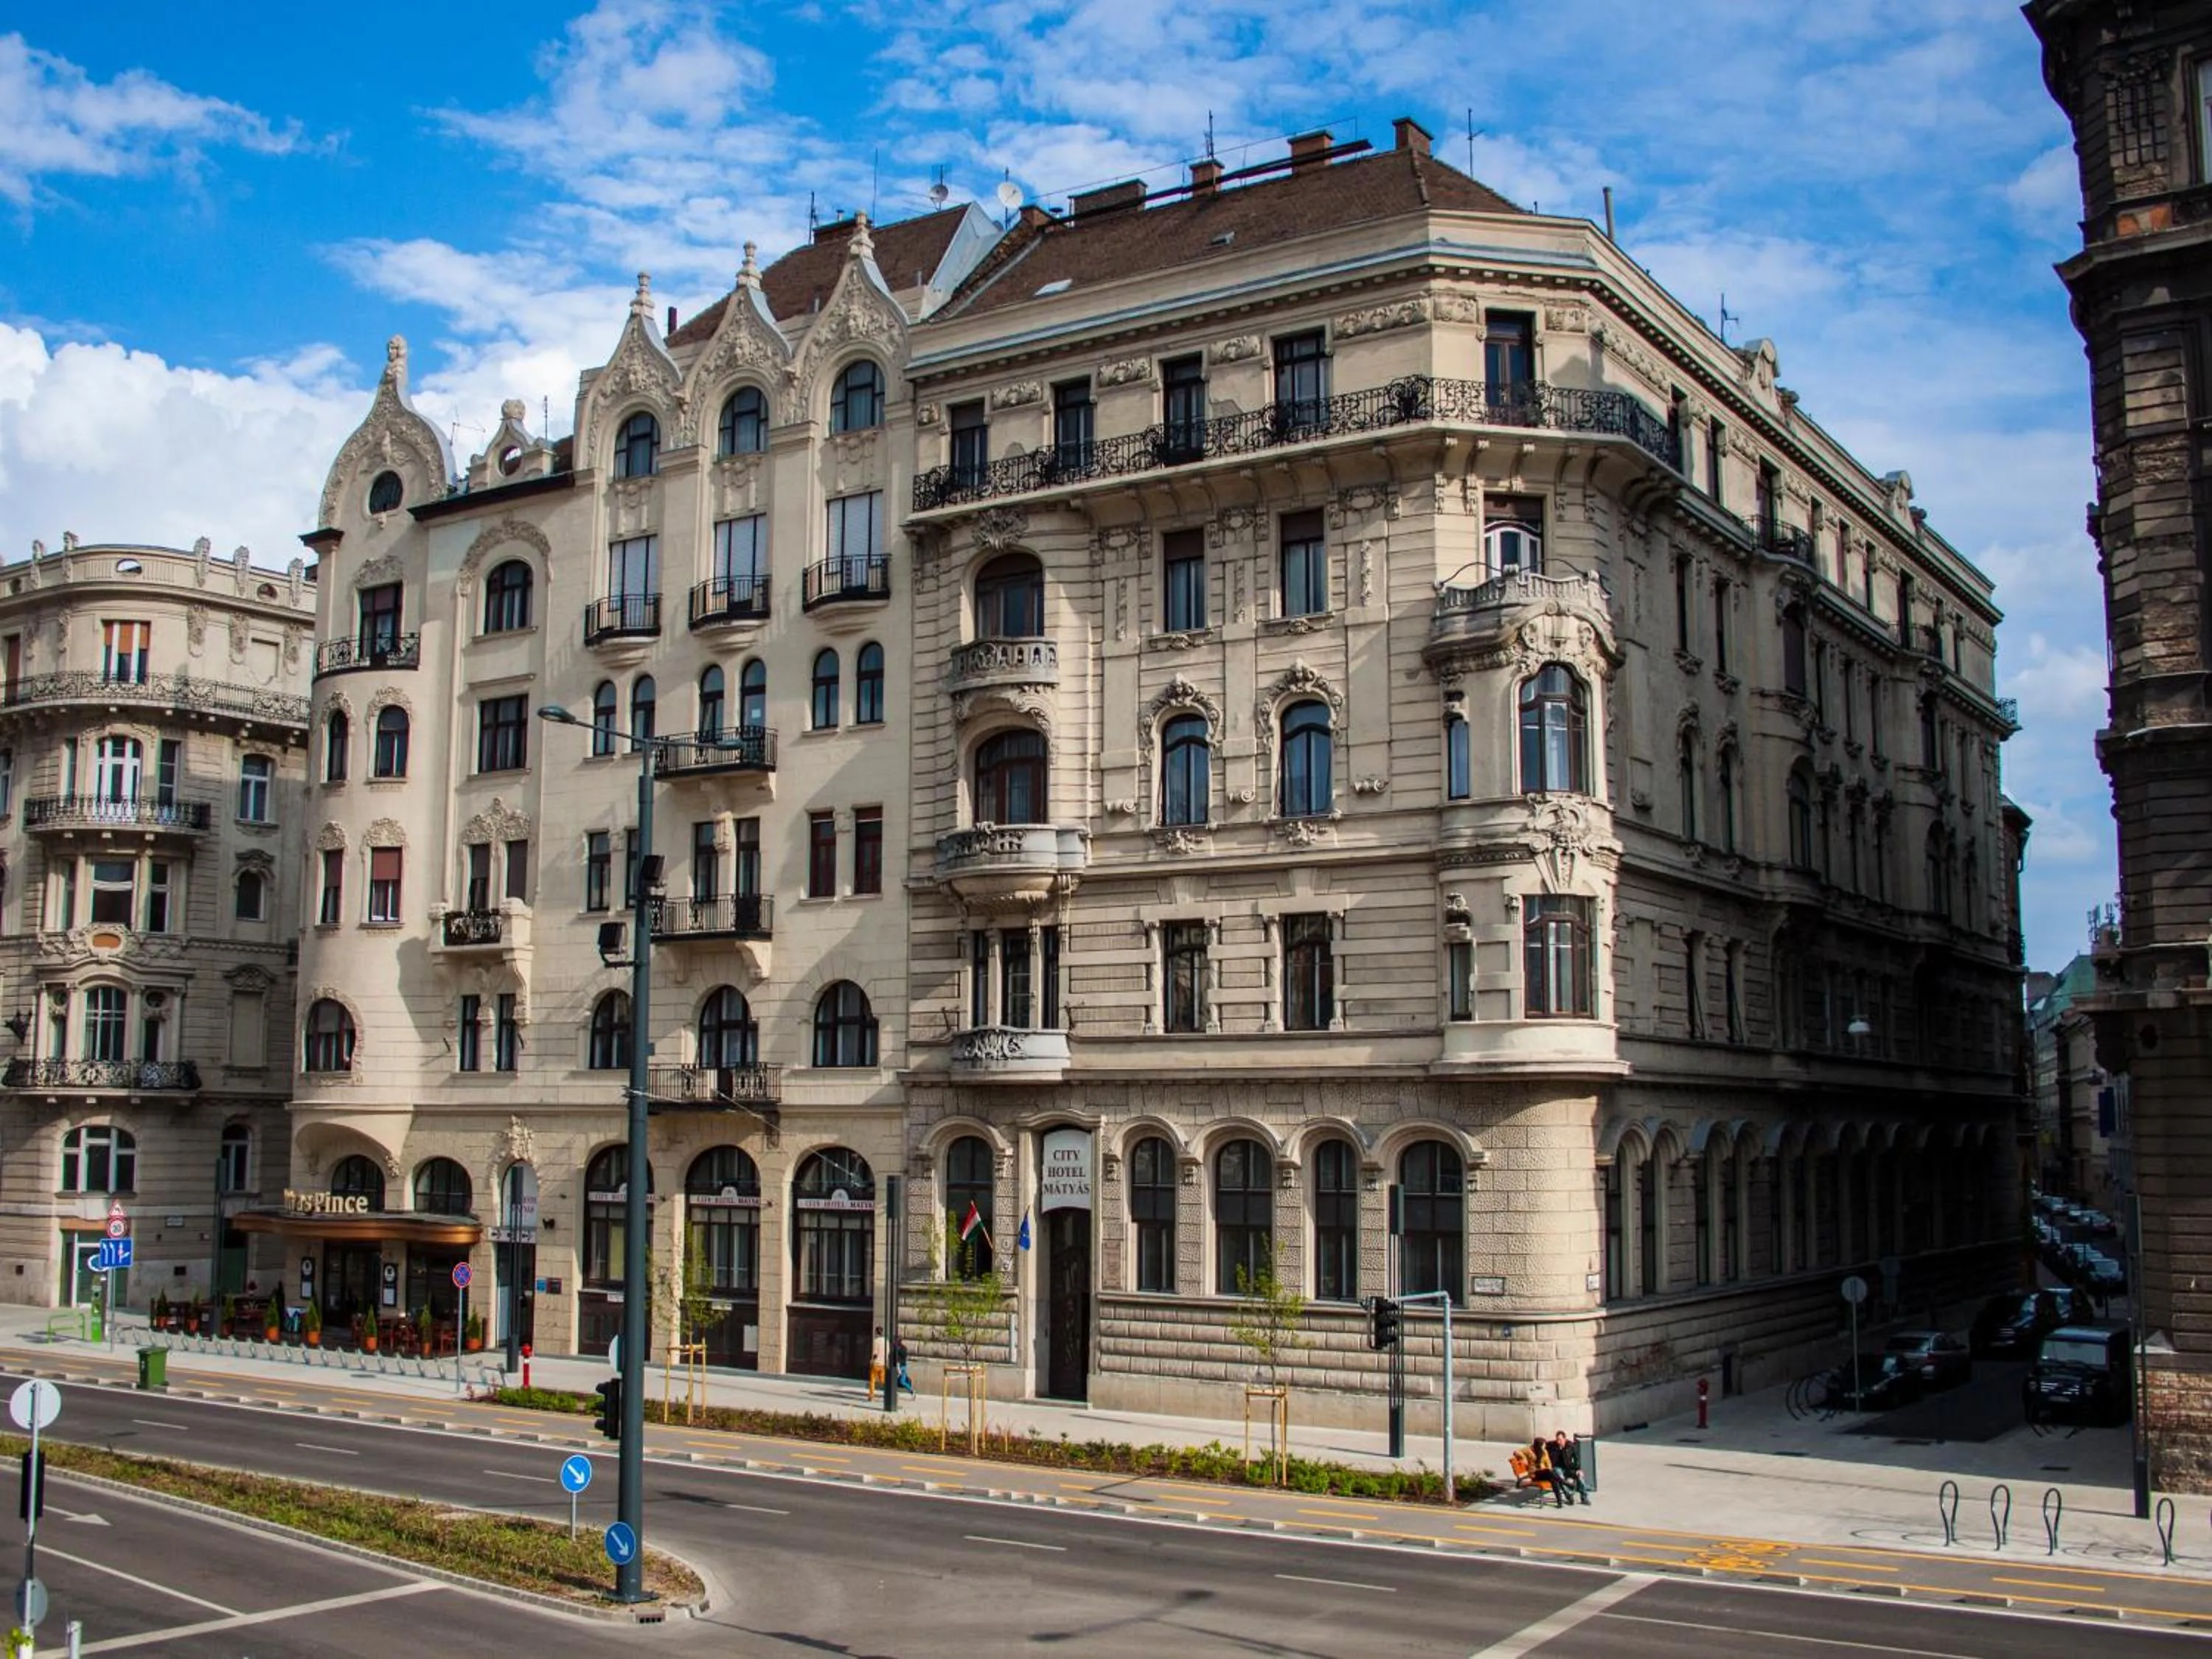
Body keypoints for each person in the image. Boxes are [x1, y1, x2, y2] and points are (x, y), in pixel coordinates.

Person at [1549, 1430, 1590, 1505]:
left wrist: (1578, 1469)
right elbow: (1540, 1444)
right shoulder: (1553, 1445)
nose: (1558, 1442)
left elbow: (1577, 1459)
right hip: (1558, 1468)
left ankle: (1584, 1498)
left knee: (1580, 1477)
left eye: (1560, 1440)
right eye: (1557, 1440)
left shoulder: (1570, 1446)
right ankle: (1569, 1496)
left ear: (1565, 1439)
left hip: (1569, 1468)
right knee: (1559, 1476)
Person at [1528, 1436, 1565, 1506]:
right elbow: (1518, 1452)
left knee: (1553, 1480)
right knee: (1549, 1472)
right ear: (1540, 1445)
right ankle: (1565, 1482)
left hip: (1545, 1473)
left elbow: (1549, 1463)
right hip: (1536, 1474)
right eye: (1544, 1445)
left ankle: (1559, 1502)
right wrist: (1522, 1458)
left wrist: (1549, 1469)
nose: (1545, 1446)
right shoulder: (1531, 1453)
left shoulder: (1545, 1452)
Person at [891, 1333, 915, 1398]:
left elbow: (896, 1358)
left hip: (899, 1366)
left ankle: (894, 1393)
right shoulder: (904, 1348)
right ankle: (911, 1391)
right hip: (904, 1366)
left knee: (893, 1381)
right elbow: (905, 1357)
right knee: (902, 1382)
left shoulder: (896, 1348)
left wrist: (898, 1367)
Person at [869, 1326, 887, 1396]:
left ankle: (871, 1395)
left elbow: (875, 1354)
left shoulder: (876, 1341)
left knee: (872, 1380)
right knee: (883, 1380)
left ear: (876, 1332)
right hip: (883, 1363)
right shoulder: (886, 1341)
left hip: (876, 1364)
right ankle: (888, 1392)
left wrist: (872, 1360)